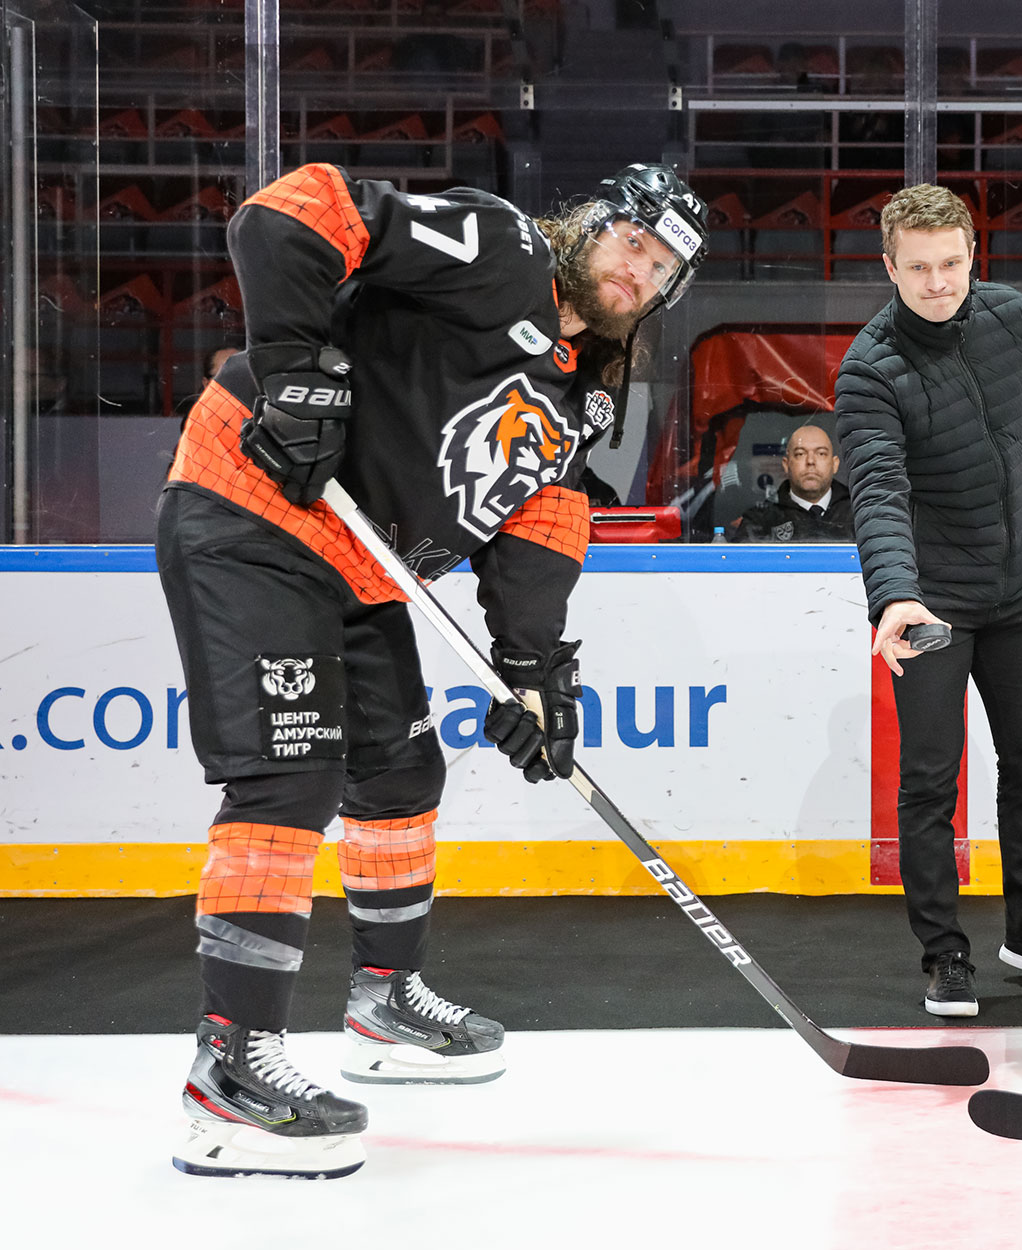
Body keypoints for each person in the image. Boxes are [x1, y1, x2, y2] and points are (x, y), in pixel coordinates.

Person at [156, 161, 707, 1178]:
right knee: (288, 777)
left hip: (361, 565)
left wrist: (535, 667)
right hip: (253, 512)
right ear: (589, 223)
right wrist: (291, 364)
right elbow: (296, 211)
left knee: (401, 774)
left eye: (664, 266)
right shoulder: (498, 248)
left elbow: (541, 518)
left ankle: (383, 1002)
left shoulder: (584, 389)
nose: (641, 269)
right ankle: (228, 1068)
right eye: (634, 239)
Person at [835, 183, 1022, 1017]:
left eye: (951, 263)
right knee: (928, 781)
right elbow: (877, 490)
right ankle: (944, 954)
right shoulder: (868, 367)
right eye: (919, 268)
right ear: (890, 267)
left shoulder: (1015, 319)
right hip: (932, 607)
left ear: (972, 255)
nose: (938, 282)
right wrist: (895, 596)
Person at [726, 422, 854, 542]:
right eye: (800, 454)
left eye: (821, 453)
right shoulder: (760, 521)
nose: (810, 461)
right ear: (786, 465)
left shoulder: (858, 512)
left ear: (835, 464)